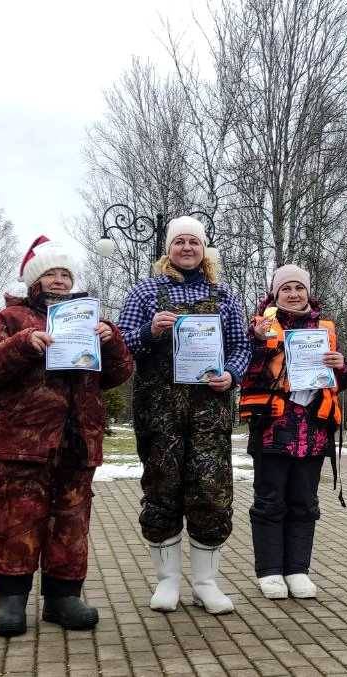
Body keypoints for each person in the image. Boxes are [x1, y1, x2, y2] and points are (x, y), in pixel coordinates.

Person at [0, 236, 134, 636]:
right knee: (17, 521)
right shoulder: (10, 318)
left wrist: (111, 342)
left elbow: (119, 374)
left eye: (65, 274)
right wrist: (23, 344)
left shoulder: (89, 319)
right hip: (23, 443)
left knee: (71, 523)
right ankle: (12, 601)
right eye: (51, 273)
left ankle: (63, 598)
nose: (59, 280)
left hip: (77, 440)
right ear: (34, 281)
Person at [116, 216, 251, 615]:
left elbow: (242, 346)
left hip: (209, 413)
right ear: (168, 249)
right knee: (162, 490)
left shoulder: (224, 295)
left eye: (194, 241)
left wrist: (232, 374)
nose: (187, 247)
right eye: (179, 242)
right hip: (159, 415)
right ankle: (167, 581)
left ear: (203, 249)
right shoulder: (145, 292)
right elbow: (121, 346)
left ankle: (206, 583)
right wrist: (150, 331)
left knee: (211, 492)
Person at [239, 264, 347, 600]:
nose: (293, 294)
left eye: (299, 288)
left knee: (304, 502)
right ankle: (270, 572)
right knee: (269, 501)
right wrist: (258, 343)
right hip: (273, 428)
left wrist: (341, 365)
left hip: (314, 431)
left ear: (308, 292)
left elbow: (344, 380)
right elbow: (245, 371)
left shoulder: (324, 329)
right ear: (275, 293)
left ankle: (297, 570)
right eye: (286, 288)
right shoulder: (259, 327)